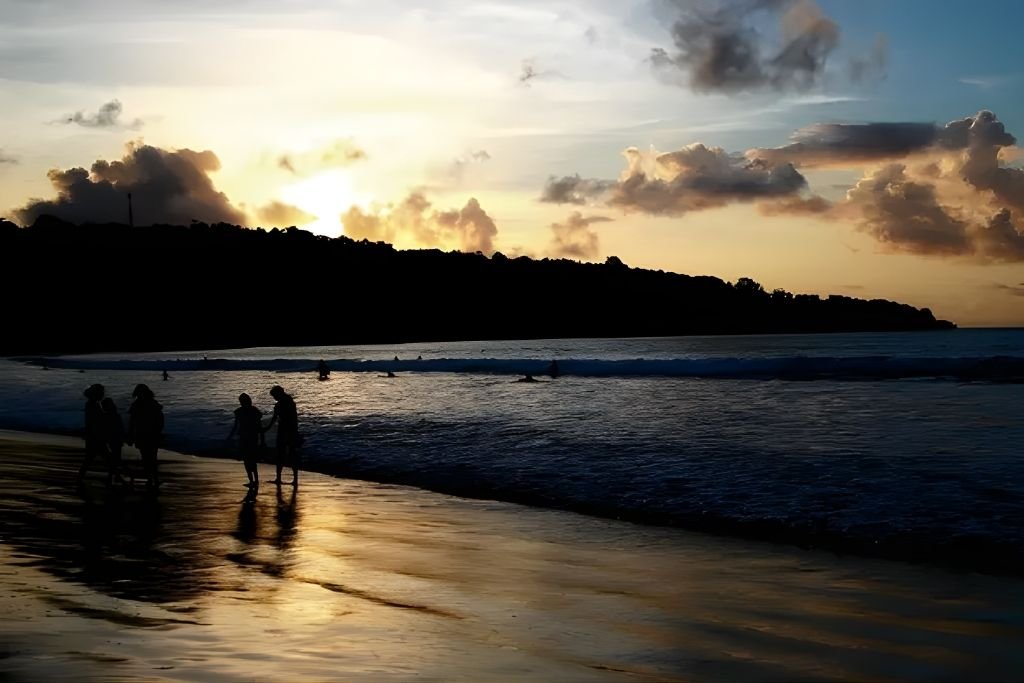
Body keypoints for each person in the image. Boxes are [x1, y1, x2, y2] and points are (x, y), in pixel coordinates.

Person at [128, 384, 164, 489]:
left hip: (143, 434)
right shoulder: (152, 403)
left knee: (147, 457)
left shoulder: (137, 404)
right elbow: (160, 419)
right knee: (152, 457)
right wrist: (159, 431)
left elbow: (132, 422)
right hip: (151, 434)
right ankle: (154, 479)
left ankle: (151, 478)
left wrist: (130, 435)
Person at [263, 385, 300, 487]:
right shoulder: (291, 402)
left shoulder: (281, 404)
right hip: (292, 430)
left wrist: (267, 428)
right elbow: (294, 419)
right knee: (292, 454)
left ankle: (279, 478)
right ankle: (295, 479)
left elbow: (275, 418)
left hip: (284, 430)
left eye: (274, 396)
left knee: (281, 454)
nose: (274, 398)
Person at [227, 393, 265, 488]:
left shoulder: (239, 411)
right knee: (252, 460)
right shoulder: (254, 410)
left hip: (245, 438)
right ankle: (255, 481)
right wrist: (262, 440)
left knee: (247, 460)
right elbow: (259, 426)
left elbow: (236, 426)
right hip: (252, 437)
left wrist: (230, 436)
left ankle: (252, 481)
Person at [77, 384, 108, 484]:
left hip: (93, 435)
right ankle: (79, 478)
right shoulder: (93, 405)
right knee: (104, 458)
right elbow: (94, 421)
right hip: (95, 436)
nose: (103, 394)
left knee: (90, 458)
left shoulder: (92, 404)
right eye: (102, 392)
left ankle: (79, 478)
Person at [101, 397, 126, 485]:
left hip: (111, 439)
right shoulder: (115, 415)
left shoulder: (105, 416)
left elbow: (105, 429)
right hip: (116, 439)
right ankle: (115, 476)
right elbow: (120, 427)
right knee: (116, 458)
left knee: (114, 459)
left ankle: (113, 476)